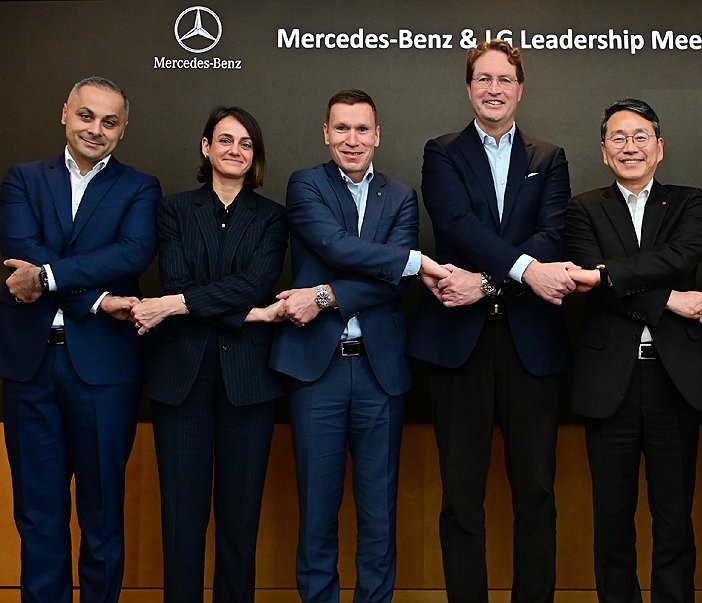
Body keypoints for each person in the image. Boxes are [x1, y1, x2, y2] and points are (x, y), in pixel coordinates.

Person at [409, 39, 574, 603]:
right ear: (469, 87)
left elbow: (555, 235)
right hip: (459, 345)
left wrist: (488, 282)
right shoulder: (443, 152)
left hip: (532, 345)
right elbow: (455, 225)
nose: (494, 88)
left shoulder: (549, 157)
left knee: (536, 494)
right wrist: (526, 269)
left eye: (505, 79)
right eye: (483, 78)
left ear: (520, 88)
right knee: (460, 497)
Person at [269, 89, 449, 603]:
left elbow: (390, 282)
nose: (352, 140)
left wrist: (326, 293)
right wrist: (404, 260)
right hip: (316, 372)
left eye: (362, 129)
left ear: (378, 135)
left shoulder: (400, 196)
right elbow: (332, 244)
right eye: (341, 129)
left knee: (378, 514)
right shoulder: (305, 184)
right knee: (317, 512)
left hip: (380, 373)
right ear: (326, 133)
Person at [563, 98, 702, 603]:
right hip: (608, 379)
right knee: (611, 518)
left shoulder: (689, 202)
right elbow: (585, 277)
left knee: (674, 516)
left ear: (660, 147)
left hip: (675, 380)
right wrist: (668, 298)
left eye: (640, 137)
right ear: (603, 150)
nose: (630, 146)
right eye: (619, 137)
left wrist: (613, 276)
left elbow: (680, 255)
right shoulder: (581, 207)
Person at [1, 76, 160, 603]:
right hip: (30, 370)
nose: (96, 129)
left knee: (102, 515)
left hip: (105, 373)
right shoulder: (23, 179)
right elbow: (19, 252)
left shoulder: (140, 187)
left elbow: (131, 254)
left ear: (123, 129)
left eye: (109, 121)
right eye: (87, 116)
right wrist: (93, 298)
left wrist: (46, 278)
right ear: (65, 114)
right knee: (38, 516)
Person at [129, 106, 287, 603]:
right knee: (181, 520)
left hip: (248, 386)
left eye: (245, 143)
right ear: (206, 147)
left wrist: (177, 306)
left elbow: (255, 285)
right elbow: (178, 279)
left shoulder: (272, 217)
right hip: (182, 381)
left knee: (240, 523)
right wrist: (246, 314)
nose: (234, 150)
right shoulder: (174, 210)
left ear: (255, 155)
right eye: (225, 140)